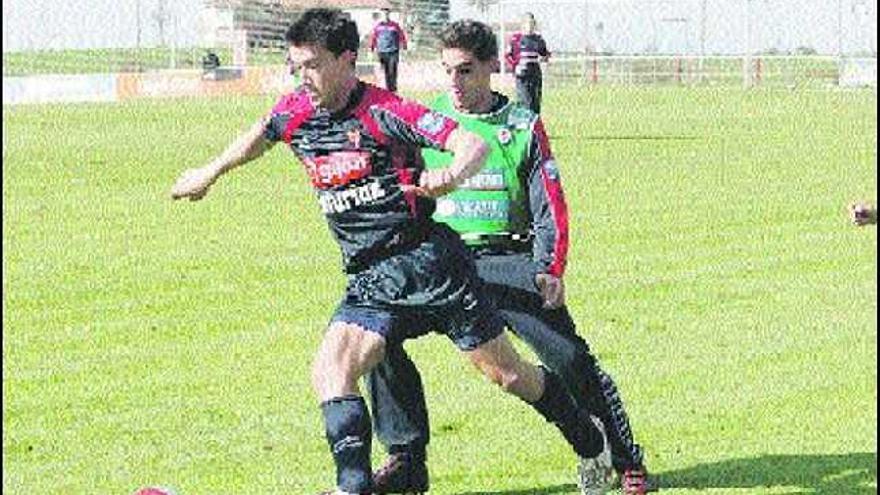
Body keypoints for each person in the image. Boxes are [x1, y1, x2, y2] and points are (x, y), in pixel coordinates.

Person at [170, 9, 609, 495]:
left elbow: (468, 143)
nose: (302, 77)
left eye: (312, 65)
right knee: (331, 371)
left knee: (509, 376)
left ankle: (590, 442)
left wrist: (451, 175)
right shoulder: (296, 110)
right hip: (370, 277)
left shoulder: (386, 111)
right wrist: (209, 171)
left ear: (345, 59)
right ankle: (353, 487)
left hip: (432, 269)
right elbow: (262, 133)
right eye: (295, 66)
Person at [366, 20, 657, 495]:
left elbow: (550, 205)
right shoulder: (430, 123)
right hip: (443, 260)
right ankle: (405, 461)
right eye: (448, 72)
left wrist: (549, 266)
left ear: (491, 68)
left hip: (508, 260)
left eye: (465, 71)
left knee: (570, 359)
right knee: (374, 332)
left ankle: (623, 460)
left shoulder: (522, 125)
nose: (455, 84)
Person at [505, 12, 550, 114]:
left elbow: (544, 54)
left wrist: (545, 57)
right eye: (527, 23)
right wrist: (515, 67)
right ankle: (523, 124)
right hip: (522, 75)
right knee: (525, 102)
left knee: (535, 102)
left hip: (535, 73)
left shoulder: (538, 39)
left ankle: (535, 125)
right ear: (523, 24)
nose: (530, 25)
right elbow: (507, 56)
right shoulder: (516, 39)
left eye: (532, 23)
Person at [369, 8, 408, 92]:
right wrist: (371, 49)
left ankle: (393, 88)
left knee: (392, 69)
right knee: (386, 71)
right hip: (382, 51)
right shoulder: (378, 26)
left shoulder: (394, 25)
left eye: (387, 14)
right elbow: (373, 38)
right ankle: (388, 88)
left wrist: (404, 46)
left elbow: (401, 36)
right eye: (383, 14)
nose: (385, 16)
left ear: (389, 15)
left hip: (393, 51)